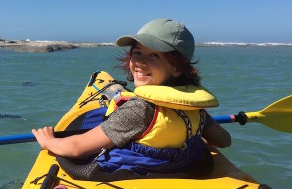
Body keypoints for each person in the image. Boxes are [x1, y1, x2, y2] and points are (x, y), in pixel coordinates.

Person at [32, 18, 231, 175]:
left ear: (177, 67)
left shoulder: (140, 109)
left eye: (154, 55)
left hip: (129, 173)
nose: (140, 62)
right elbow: (224, 140)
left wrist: (48, 141)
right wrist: (187, 139)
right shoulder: (193, 108)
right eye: (137, 53)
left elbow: (77, 148)